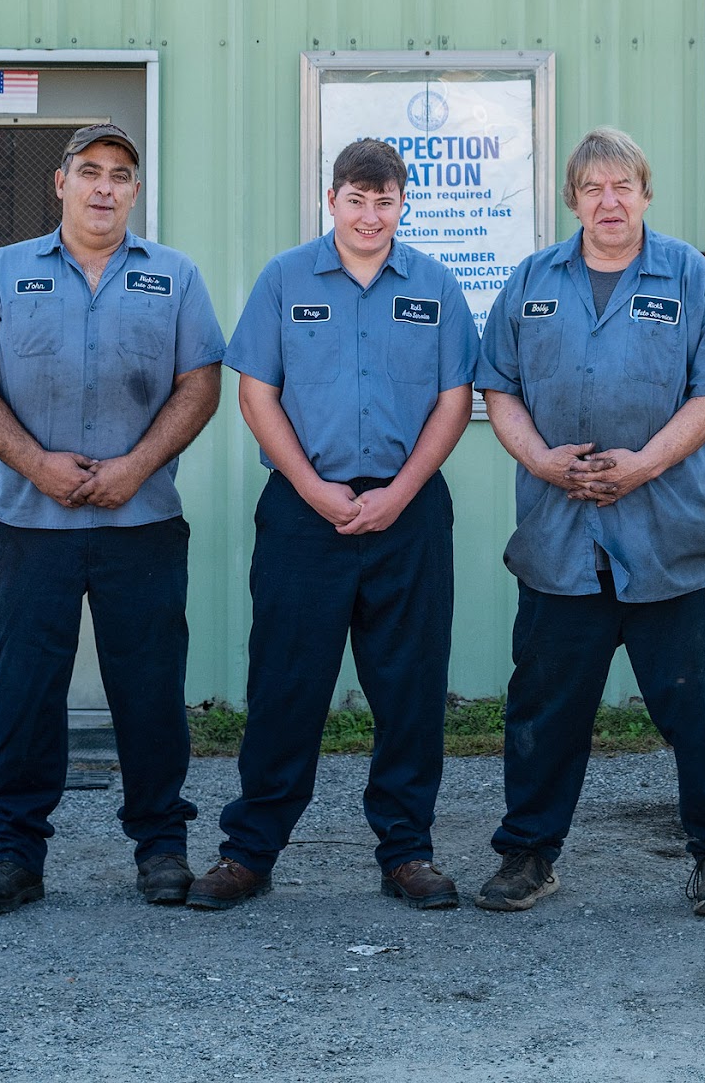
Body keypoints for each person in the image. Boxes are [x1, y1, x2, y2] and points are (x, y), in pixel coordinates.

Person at [472, 128, 705, 917]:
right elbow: (498, 386)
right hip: (560, 538)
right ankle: (528, 855)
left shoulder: (689, 276)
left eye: (622, 187)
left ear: (645, 194)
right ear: (572, 199)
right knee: (545, 707)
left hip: (671, 537)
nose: (609, 202)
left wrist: (644, 466)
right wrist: (541, 461)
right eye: (593, 188)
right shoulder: (532, 280)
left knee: (697, 707)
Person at [187, 140, 480, 914]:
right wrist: (313, 488)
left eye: (385, 201)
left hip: (407, 514)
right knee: (285, 685)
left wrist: (401, 493)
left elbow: (455, 400)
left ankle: (407, 852)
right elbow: (257, 394)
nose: (370, 216)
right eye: (357, 199)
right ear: (332, 200)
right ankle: (249, 852)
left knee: (410, 688)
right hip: (302, 512)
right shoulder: (285, 279)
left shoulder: (436, 286)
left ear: (404, 203)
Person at [0, 122, 224, 916]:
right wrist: (38, 465)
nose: (105, 186)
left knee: (150, 691)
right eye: (91, 171)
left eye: (121, 174)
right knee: (26, 693)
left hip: (143, 524)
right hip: (32, 525)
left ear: (135, 191)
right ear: (61, 182)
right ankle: (14, 855)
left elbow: (200, 385)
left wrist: (135, 468)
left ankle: (162, 848)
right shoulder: (2, 273)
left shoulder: (174, 276)